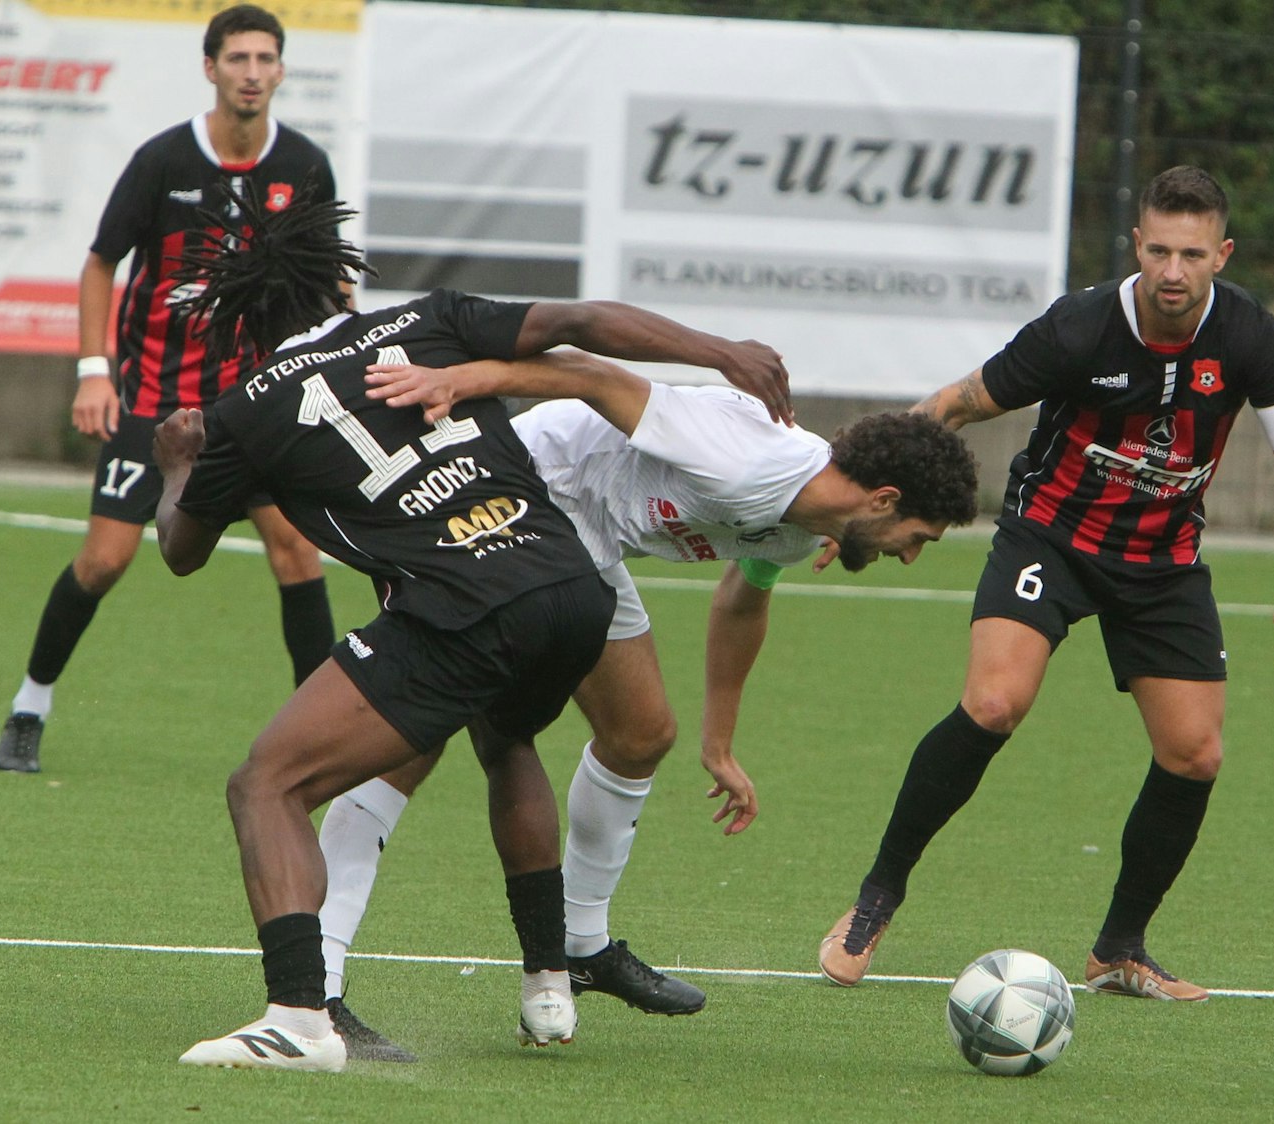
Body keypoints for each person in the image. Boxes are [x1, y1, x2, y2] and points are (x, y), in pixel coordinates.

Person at [149, 183, 793, 1071]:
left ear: (246, 328)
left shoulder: (243, 411)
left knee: (266, 783)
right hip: (570, 580)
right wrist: (719, 351)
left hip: (458, 604)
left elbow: (180, 551)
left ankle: (300, 1018)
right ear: (340, 287)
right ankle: (548, 979)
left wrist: (178, 467)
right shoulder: (427, 319)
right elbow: (588, 318)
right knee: (507, 738)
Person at [311, 353, 980, 1060]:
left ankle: (580, 948)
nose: (910, 556)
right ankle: (315, 987)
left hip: (585, 539)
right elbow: (588, 375)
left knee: (639, 733)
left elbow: (742, 599)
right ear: (882, 500)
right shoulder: (745, 460)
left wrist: (718, 743)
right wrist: (460, 382)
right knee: (417, 735)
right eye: (918, 539)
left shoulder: (809, 520)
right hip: (516, 494)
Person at [817, 165, 1274, 1001]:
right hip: (1050, 539)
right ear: (1137, 244)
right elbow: (951, 406)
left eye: (1193, 254)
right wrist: (844, 498)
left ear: (1221, 255)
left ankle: (1119, 948)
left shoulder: (1249, 336)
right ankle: (876, 897)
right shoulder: (1076, 328)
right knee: (993, 703)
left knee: (1194, 754)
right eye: (1160, 250)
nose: (1173, 271)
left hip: (1162, 559)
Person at [0, 4, 337, 774]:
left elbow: (327, 280)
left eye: (264, 59)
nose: (251, 72)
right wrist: (93, 372)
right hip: (153, 401)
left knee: (296, 552)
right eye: (237, 58)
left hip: (252, 405)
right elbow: (98, 264)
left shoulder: (305, 168)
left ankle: (325, 741)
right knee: (105, 560)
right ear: (210, 68)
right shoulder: (163, 161)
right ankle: (29, 705)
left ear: (281, 71)